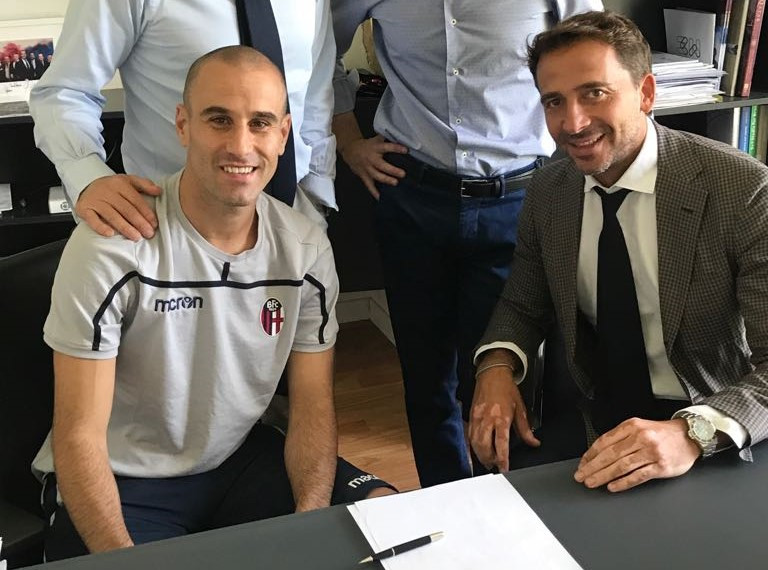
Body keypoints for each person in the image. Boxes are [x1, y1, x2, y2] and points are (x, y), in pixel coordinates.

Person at [32, 46, 393, 561]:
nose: (240, 145)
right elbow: (78, 436)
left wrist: (310, 527)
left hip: (236, 461)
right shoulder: (112, 247)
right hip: (125, 477)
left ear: (283, 135)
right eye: (219, 120)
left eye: (260, 123)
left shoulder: (305, 250)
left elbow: (312, 406)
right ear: (183, 125)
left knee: (384, 517)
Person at [470, 10, 768, 493]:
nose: (573, 122)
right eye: (554, 101)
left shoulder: (742, 189)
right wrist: (497, 365)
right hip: (594, 415)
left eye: (594, 93)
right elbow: (523, 302)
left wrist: (692, 432)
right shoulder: (548, 189)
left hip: (710, 418)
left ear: (646, 93)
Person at [331, 0, 603, 487]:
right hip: (411, 197)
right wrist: (349, 141)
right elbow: (314, 52)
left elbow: (598, 55)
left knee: (505, 374)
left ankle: (507, 504)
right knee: (426, 378)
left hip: (517, 203)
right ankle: (446, 502)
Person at [29, 0, 337, 240]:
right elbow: (65, 92)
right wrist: (88, 176)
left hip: (290, 223)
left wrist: (315, 201)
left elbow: (314, 95)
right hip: (166, 231)